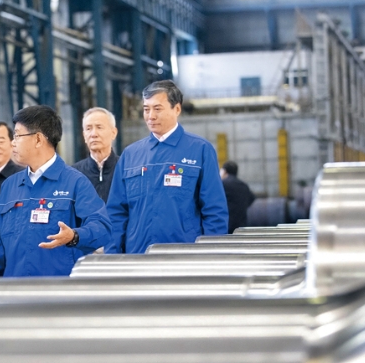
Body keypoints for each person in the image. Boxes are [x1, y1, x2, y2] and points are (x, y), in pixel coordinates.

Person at [0, 105, 112, 278]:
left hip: (59, 290)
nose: (13, 142)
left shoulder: (75, 182)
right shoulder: (10, 186)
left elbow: (102, 228)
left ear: (38, 139)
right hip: (14, 290)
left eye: (17, 135)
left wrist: (74, 236)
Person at [106, 80, 228, 254]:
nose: (150, 116)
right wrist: (112, 255)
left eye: (157, 109)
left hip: (184, 256)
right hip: (138, 256)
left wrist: (211, 255)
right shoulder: (131, 155)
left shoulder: (200, 150)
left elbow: (214, 210)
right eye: (146, 109)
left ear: (176, 109)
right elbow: (116, 213)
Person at [72, 107, 119, 202]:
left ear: (113, 133)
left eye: (99, 127)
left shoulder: (126, 169)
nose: (94, 134)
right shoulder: (73, 174)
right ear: (84, 136)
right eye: (88, 129)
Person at [220, 160, 255, 233]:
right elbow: (252, 198)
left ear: (224, 171)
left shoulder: (222, 184)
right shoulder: (244, 185)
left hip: (226, 225)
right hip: (241, 225)